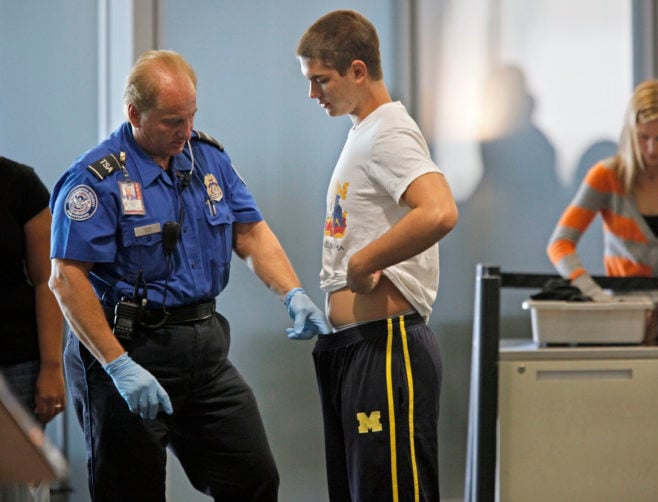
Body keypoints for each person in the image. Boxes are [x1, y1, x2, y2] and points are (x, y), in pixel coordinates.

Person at [48, 49, 329, 502]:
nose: (185, 132)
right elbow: (66, 280)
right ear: (135, 113)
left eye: (190, 117)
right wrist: (119, 366)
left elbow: (251, 232)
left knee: (253, 479)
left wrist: (293, 293)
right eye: (171, 122)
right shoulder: (96, 179)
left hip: (205, 354)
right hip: (128, 351)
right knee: (131, 493)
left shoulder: (207, 159)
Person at [296, 10, 458, 501]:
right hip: (357, 348)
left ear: (358, 71)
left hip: (387, 349)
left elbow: (439, 211)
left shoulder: (387, 132)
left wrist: (364, 263)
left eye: (321, 80)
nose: (313, 95)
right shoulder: (364, 133)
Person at [547, 80, 658, 300]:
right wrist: (592, 292)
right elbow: (560, 243)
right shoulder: (606, 176)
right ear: (630, 133)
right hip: (622, 309)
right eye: (643, 137)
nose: (652, 149)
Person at [0, 156, 65, 502]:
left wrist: (52, 368)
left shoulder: (18, 183)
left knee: (16, 490)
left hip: (15, 363)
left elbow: (47, 281)